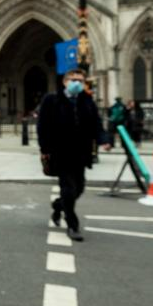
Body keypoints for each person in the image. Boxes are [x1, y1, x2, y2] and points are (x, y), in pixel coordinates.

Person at [37, 69, 111, 242]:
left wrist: (104, 140)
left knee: (79, 188)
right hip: (60, 152)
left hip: (81, 153)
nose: (77, 83)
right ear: (65, 82)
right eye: (73, 79)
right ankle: (72, 225)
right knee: (68, 189)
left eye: (80, 80)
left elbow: (96, 124)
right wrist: (45, 148)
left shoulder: (87, 100)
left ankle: (58, 205)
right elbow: (43, 126)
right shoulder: (51, 100)